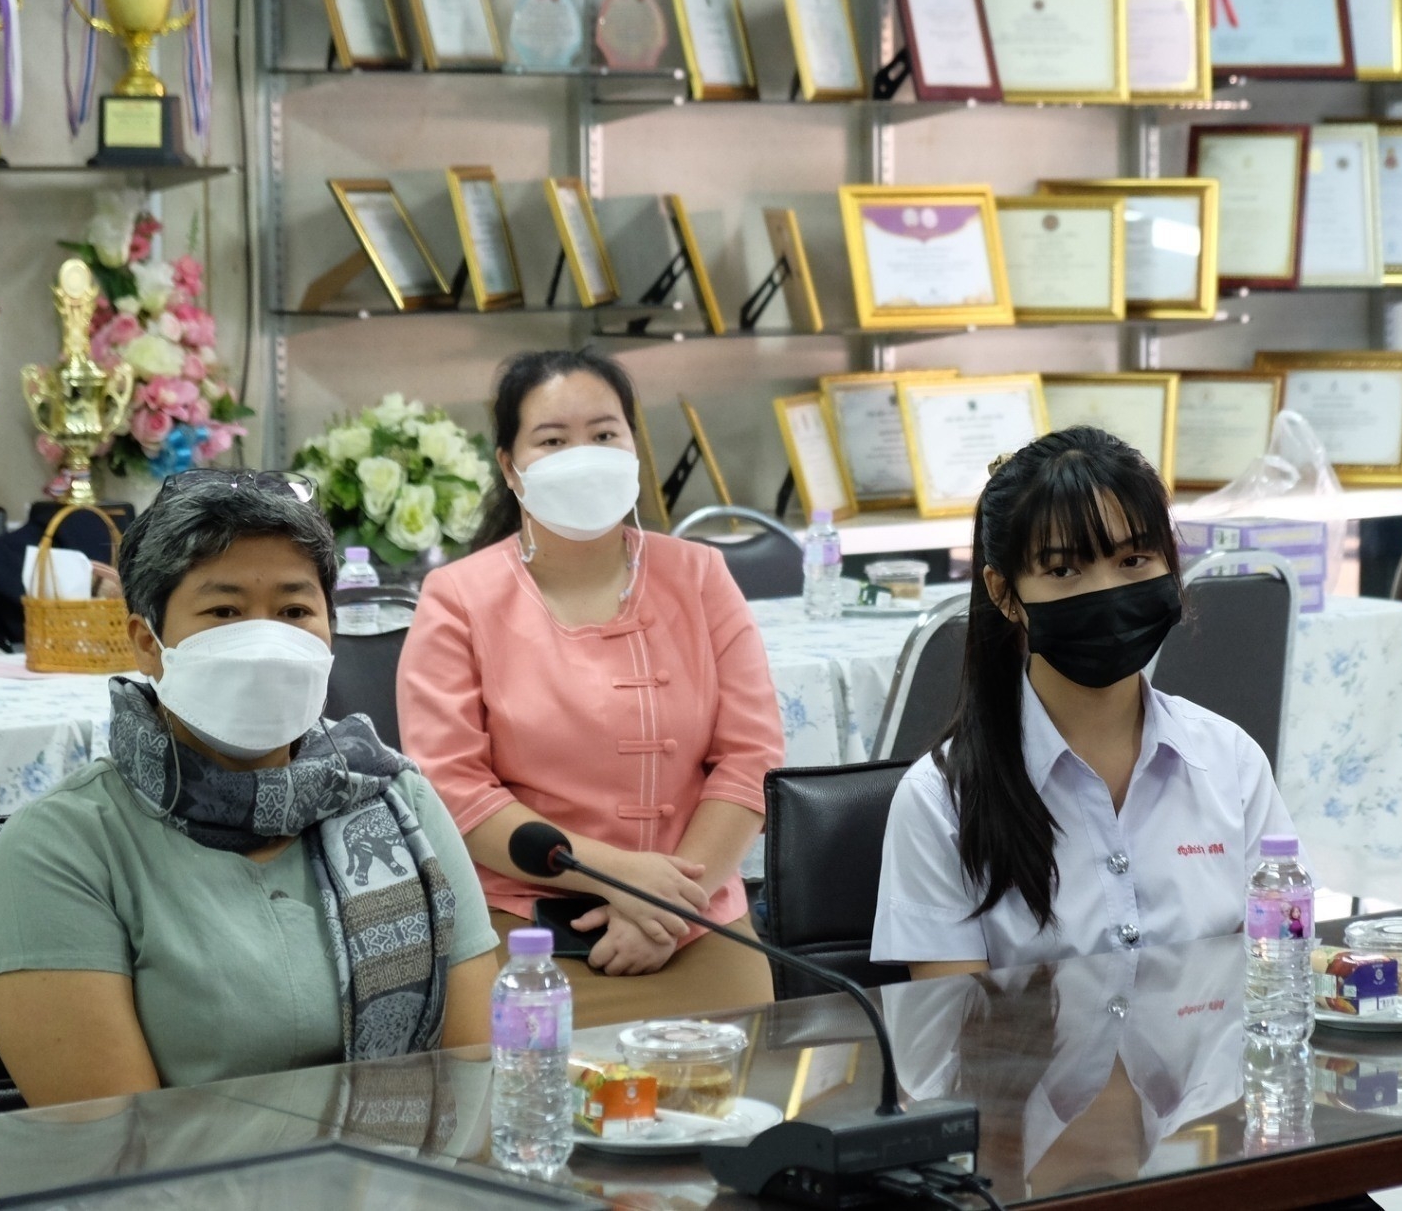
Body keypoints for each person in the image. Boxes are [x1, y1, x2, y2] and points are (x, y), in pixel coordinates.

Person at [0, 474, 498, 1106]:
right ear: (148, 644)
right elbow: (114, 1147)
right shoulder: (64, 848)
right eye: (223, 612)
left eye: (296, 611)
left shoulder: (394, 799)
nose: (267, 642)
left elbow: (474, 1077)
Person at [397, 349, 781, 1026]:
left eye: (605, 434)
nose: (584, 454)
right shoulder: (457, 597)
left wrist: (672, 901)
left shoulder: (701, 575)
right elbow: (454, 792)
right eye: (552, 440)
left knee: (744, 1118)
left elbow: (750, 758)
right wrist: (624, 875)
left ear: (634, 449)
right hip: (528, 938)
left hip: (695, 923)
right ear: (511, 468)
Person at [871, 426, 1303, 977]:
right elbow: (956, 1043)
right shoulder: (940, 803)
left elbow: (1283, 973)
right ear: (1005, 594)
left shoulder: (1231, 763)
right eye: (1063, 571)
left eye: (1134, 561)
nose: (1105, 593)